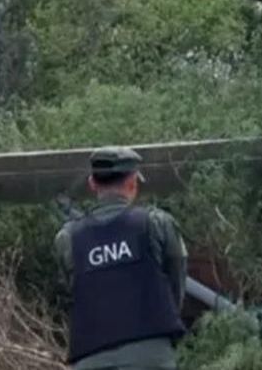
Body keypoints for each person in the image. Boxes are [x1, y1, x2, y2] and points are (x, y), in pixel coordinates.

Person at [54, 146, 188, 370]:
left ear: (92, 184)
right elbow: (176, 281)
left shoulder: (67, 238)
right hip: (151, 356)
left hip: (91, 358)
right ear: (133, 182)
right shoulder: (157, 224)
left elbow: (71, 291)